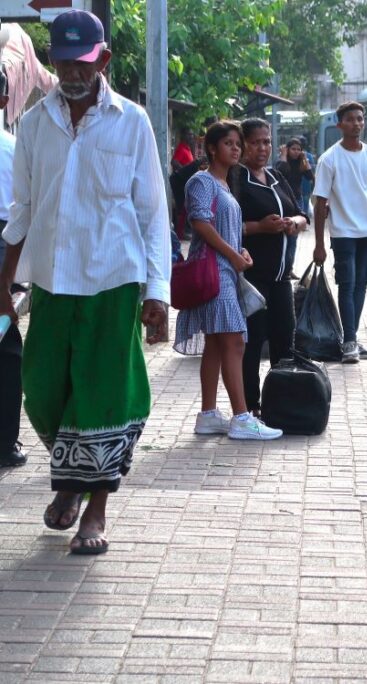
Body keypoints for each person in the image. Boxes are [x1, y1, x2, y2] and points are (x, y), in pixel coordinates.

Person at [0, 10, 170, 554]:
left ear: (104, 60)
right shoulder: (32, 124)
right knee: (45, 390)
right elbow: (22, 210)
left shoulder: (132, 121)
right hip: (51, 281)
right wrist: (4, 283)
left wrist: (158, 292)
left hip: (113, 280)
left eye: (83, 61)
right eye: (62, 61)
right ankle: (72, 477)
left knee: (100, 394)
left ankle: (93, 507)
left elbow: (151, 212)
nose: (72, 71)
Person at [173, 121, 282, 441]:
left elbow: (225, 229)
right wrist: (233, 256)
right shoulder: (202, 182)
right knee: (234, 342)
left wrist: (240, 252)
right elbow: (201, 224)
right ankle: (241, 417)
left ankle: (208, 414)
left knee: (218, 345)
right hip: (215, 272)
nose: (236, 148)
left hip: (227, 271)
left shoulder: (223, 184)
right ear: (211, 148)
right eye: (228, 144)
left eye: (238, 144)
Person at [231, 118, 308, 414]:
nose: (262, 148)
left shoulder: (276, 175)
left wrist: (294, 223)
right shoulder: (236, 179)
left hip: (281, 279)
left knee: (284, 341)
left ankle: (281, 401)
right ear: (243, 145)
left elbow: (301, 214)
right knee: (251, 347)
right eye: (255, 142)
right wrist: (259, 227)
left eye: (266, 142)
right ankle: (250, 407)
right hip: (252, 279)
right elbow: (224, 228)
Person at [312, 101, 367, 364]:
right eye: (351, 119)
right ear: (339, 124)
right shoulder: (329, 159)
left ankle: (350, 336)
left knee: (361, 284)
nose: (357, 124)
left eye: (360, 119)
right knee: (347, 284)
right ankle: (350, 342)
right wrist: (319, 244)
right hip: (342, 232)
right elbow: (320, 203)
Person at [0, 64, 25, 469]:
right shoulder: (11, 147)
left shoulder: (12, 148)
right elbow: (16, 220)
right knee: (5, 353)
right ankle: (4, 444)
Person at [275, 137, 314, 278]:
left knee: (293, 236)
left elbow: (310, 176)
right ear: (287, 149)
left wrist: (305, 159)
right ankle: (281, 267)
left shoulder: (301, 162)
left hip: (297, 201)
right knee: (282, 235)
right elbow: (281, 172)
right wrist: (284, 155)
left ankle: (289, 268)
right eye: (293, 149)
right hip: (283, 200)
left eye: (299, 149)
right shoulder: (282, 161)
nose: (296, 152)